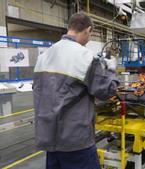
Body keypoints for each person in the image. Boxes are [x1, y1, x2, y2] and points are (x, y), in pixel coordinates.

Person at [33, 12, 119, 169]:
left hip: (49, 139)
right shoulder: (86, 57)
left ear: (69, 28)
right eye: (90, 34)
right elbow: (107, 91)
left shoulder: (43, 56)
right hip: (76, 143)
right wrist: (111, 70)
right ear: (88, 30)